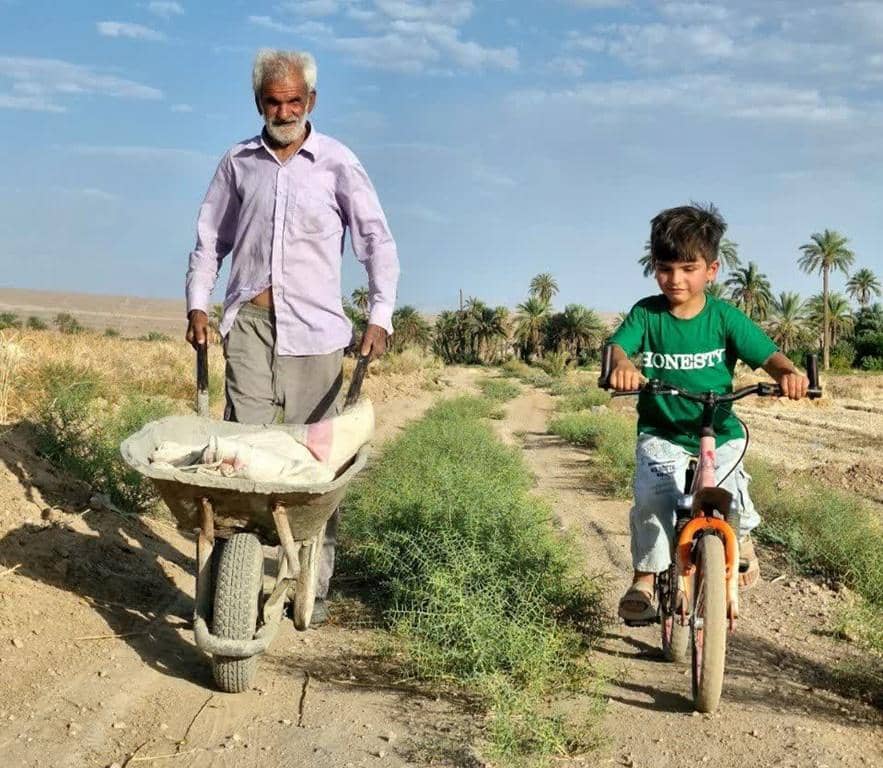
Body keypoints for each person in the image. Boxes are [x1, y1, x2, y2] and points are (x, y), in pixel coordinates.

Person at [185, 48, 399, 625]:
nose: (283, 111)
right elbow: (210, 241)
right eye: (273, 102)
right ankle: (239, 579)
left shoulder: (337, 163)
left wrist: (380, 314)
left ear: (312, 102)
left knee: (316, 469)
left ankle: (313, 583)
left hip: (317, 334)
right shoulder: (238, 163)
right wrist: (197, 304)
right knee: (242, 460)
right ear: (259, 102)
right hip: (250, 326)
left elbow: (376, 239)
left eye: (294, 101)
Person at [605, 203, 808, 623]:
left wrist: (788, 374)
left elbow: (770, 356)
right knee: (652, 499)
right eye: (665, 268)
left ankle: (742, 537)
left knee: (734, 490)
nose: (675, 279)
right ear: (654, 268)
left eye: (687, 268)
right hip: (662, 431)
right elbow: (619, 348)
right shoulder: (647, 314)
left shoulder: (724, 318)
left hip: (720, 429)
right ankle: (644, 578)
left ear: (711, 270)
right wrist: (622, 367)